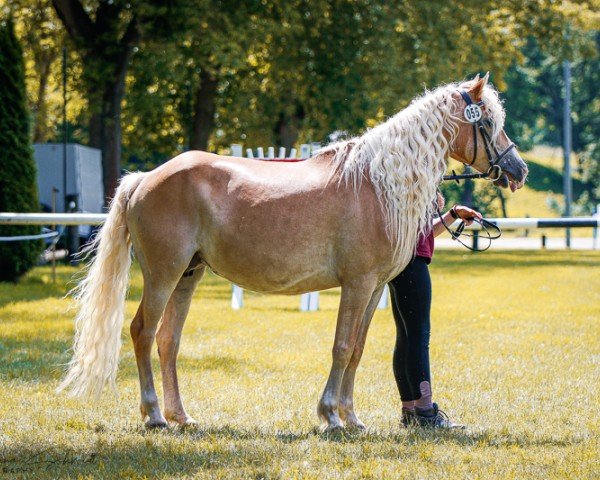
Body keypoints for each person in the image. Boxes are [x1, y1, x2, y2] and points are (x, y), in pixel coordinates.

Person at [389, 195, 482, 428]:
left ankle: (410, 411)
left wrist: (452, 215)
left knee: (406, 337)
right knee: (419, 336)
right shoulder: (416, 182)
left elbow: (424, 233)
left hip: (400, 258)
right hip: (413, 261)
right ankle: (425, 412)